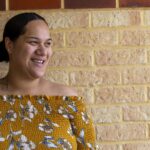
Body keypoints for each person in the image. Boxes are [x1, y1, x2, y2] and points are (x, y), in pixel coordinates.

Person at [0, 12, 96, 149]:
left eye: (48, 43)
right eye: (33, 42)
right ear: (9, 45)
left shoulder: (68, 100)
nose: (43, 51)